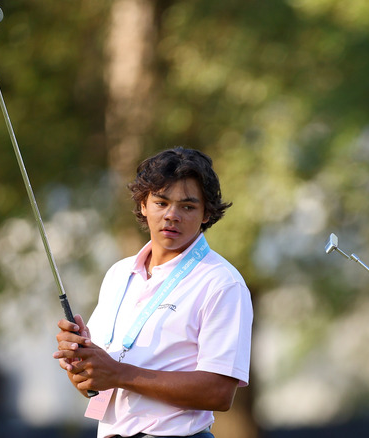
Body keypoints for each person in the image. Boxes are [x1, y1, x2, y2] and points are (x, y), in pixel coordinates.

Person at [53, 147, 253, 438]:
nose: (172, 215)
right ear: (143, 204)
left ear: (207, 213)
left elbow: (219, 393)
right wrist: (81, 361)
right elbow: (96, 388)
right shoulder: (118, 274)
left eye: (187, 206)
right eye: (161, 202)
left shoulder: (221, 282)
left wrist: (119, 373)